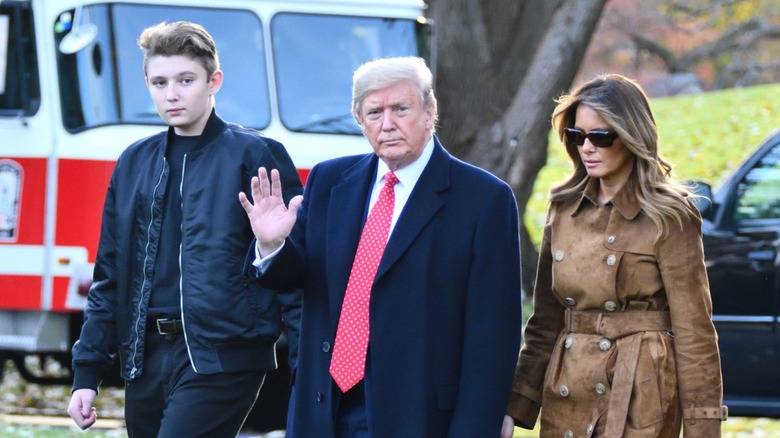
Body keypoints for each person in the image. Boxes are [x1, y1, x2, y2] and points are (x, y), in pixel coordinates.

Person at [238, 56, 524, 437]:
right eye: (374, 112)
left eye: (400, 109)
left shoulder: (484, 199)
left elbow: (493, 335)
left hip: (419, 415)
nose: (387, 124)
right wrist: (272, 244)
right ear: (360, 120)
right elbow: (296, 276)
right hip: (325, 409)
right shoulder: (329, 180)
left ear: (429, 112)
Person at [66, 21, 302, 437]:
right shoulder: (134, 163)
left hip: (225, 356)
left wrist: (306, 369)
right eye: (159, 82)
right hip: (145, 359)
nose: (171, 94)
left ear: (214, 81)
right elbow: (110, 275)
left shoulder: (256, 155)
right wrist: (86, 373)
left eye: (185, 80)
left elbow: (299, 277)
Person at [501, 74, 727, 438]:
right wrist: (514, 407)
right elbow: (545, 322)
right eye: (577, 136)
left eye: (601, 136)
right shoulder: (563, 209)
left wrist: (704, 428)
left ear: (632, 136)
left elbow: (695, 331)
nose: (587, 147)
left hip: (639, 395)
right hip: (569, 390)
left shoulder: (669, 215)